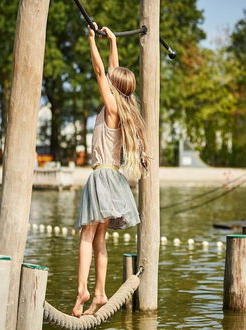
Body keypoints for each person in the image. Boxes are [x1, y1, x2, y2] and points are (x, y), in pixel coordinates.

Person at [71, 24, 148, 317]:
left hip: (101, 176)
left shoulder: (112, 107)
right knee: (100, 238)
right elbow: (113, 71)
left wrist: (92, 41)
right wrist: (113, 42)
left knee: (86, 237)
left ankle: (82, 290)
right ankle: (100, 293)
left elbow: (102, 72)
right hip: (114, 178)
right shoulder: (123, 106)